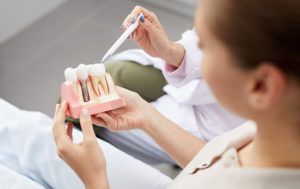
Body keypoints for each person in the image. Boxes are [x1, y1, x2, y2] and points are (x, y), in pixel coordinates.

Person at [53, 0, 300, 188]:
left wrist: (95, 178)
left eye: (204, 45)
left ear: (261, 86)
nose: (197, 51)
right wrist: (146, 115)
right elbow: (213, 157)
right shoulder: (268, 132)